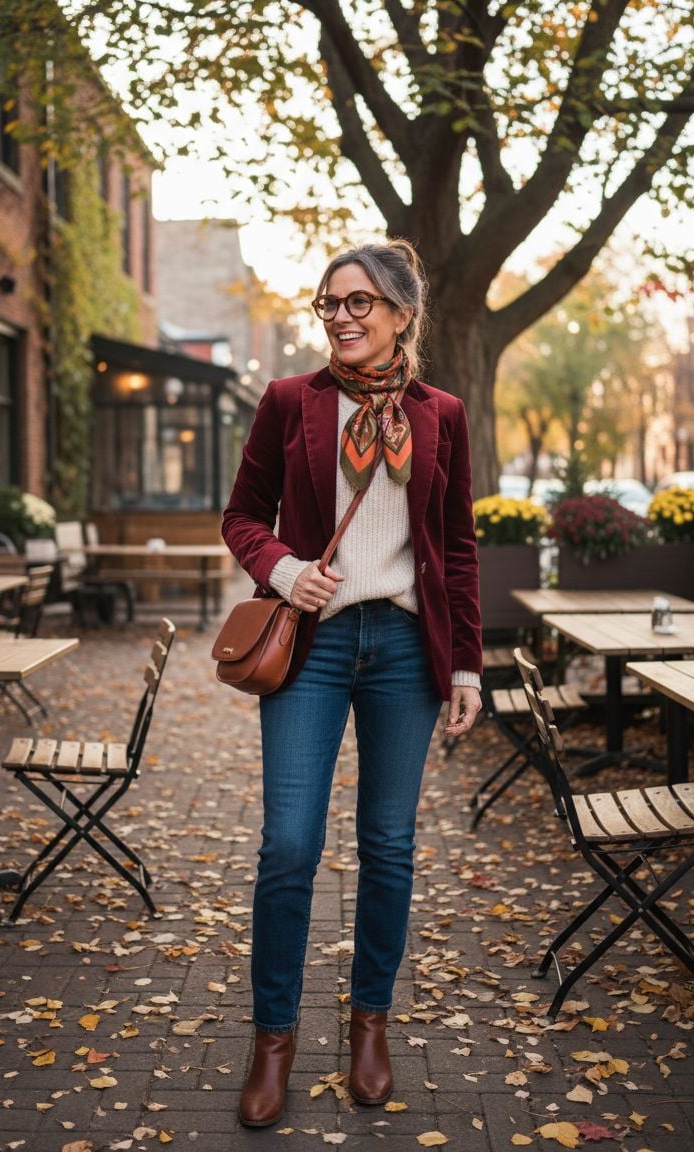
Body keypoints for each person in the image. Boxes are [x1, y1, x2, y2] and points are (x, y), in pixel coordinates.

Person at [222, 238, 483, 1127]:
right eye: (329, 303)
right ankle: (273, 1041)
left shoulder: (441, 414)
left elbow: (454, 548)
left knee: (389, 847)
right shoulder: (289, 401)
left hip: (407, 651)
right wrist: (286, 569)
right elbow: (241, 514)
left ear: (403, 313)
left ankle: (370, 1026)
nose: (339, 316)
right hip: (313, 647)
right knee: (289, 847)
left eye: (359, 302)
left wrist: (468, 667)